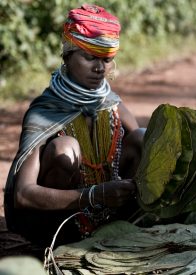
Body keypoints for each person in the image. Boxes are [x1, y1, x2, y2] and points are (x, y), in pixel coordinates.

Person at [4, 4, 145, 246]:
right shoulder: (45, 111)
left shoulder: (112, 104)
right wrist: (94, 195)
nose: (100, 68)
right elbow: (23, 194)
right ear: (68, 55)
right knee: (65, 149)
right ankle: (61, 240)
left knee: (143, 138)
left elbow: (148, 152)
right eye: (90, 57)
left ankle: (127, 224)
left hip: (110, 219)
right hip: (59, 227)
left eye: (107, 59)